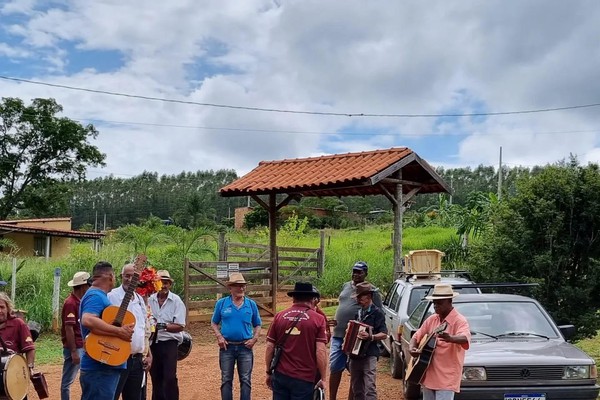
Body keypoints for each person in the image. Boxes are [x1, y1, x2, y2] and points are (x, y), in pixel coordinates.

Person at [80, 261, 134, 400]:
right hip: (99, 367)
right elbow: (88, 320)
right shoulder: (96, 296)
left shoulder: (98, 295)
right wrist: (119, 331)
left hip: (104, 365)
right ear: (110, 277)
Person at [265, 282, 327, 400]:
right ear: (311, 299)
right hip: (304, 377)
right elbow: (320, 351)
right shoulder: (318, 319)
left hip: (280, 374)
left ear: (293, 298)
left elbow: (269, 347)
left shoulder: (279, 316)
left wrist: (268, 372)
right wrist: (323, 378)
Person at [329, 261, 382, 400]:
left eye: (359, 272)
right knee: (335, 366)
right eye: (354, 271)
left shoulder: (372, 291)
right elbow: (343, 305)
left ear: (366, 274)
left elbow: (378, 314)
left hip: (356, 337)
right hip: (339, 334)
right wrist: (336, 318)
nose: (356, 274)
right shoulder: (346, 286)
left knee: (355, 370)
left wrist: (370, 333)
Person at [408, 283, 471, 400]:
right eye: (434, 303)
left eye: (439, 302)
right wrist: (412, 348)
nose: (436, 305)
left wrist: (451, 338)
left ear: (449, 301)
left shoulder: (459, 321)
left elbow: (465, 338)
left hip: (447, 377)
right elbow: (416, 337)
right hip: (427, 373)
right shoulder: (432, 319)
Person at [210, 272, 262, 400]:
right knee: (226, 379)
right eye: (238, 286)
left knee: (245, 380)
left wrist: (254, 339)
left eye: (243, 286)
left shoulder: (251, 304)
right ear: (230, 288)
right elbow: (214, 322)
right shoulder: (222, 304)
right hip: (227, 346)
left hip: (245, 347)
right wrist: (219, 337)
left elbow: (258, 324)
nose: (241, 288)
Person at [108, 263, 153, 400]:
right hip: (118, 357)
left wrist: (149, 354)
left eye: (133, 276)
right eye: (126, 276)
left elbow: (144, 330)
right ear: (121, 276)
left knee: (134, 397)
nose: (129, 279)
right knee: (112, 395)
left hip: (137, 360)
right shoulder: (112, 296)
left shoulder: (139, 300)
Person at [148, 269, 186, 400]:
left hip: (170, 343)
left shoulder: (176, 301)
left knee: (169, 376)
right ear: (155, 284)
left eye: (166, 283)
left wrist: (161, 326)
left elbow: (180, 325)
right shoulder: (149, 300)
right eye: (160, 282)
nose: (163, 286)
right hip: (152, 343)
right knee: (155, 376)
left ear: (170, 285)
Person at [348, 282, 388, 400]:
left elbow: (384, 334)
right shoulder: (358, 313)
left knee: (369, 387)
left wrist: (370, 337)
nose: (358, 300)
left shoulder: (377, 313)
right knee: (356, 388)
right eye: (357, 297)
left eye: (360, 297)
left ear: (369, 296)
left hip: (370, 354)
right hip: (355, 356)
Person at [60, 271, 90, 400]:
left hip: (80, 345)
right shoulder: (71, 303)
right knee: (68, 380)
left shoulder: (79, 301)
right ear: (83, 286)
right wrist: (73, 351)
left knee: (84, 376)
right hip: (76, 346)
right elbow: (69, 328)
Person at [0, 291, 36, 376]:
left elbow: (29, 348)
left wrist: (29, 367)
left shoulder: (18, 324)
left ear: (8, 308)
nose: (0, 311)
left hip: (13, 374)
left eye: (2, 307)